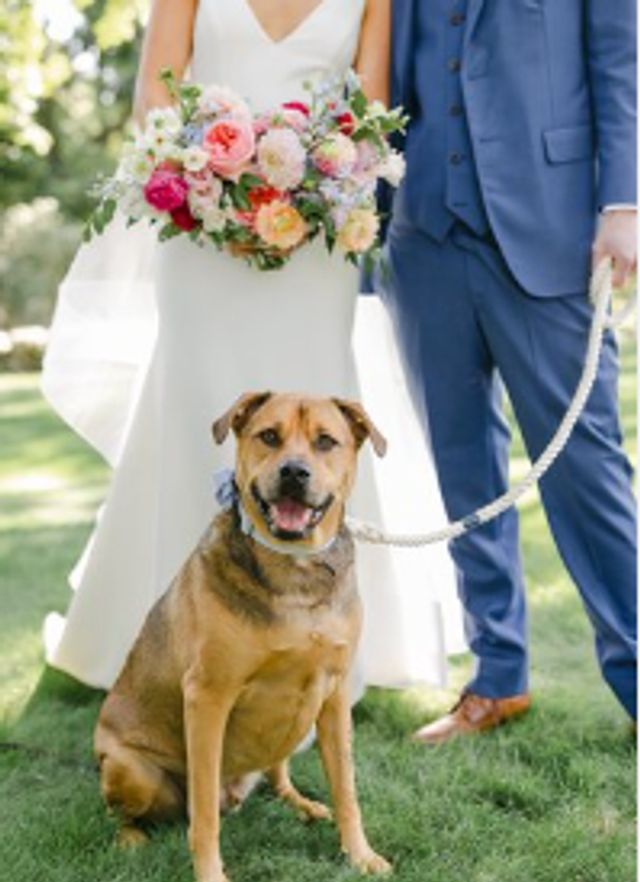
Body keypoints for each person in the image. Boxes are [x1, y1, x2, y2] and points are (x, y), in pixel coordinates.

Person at [41, 0, 465, 695]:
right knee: (195, 413)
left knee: (317, 423)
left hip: (313, 241)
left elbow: (371, 106)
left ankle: (317, 649)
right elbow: (157, 91)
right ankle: (175, 642)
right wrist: (206, 191)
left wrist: (312, 199)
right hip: (201, 233)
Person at [381, 0, 637, 743]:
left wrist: (623, 202)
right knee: (463, 471)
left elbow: (622, 65)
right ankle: (498, 679)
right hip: (423, 231)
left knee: (586, 472)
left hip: (550, 228)